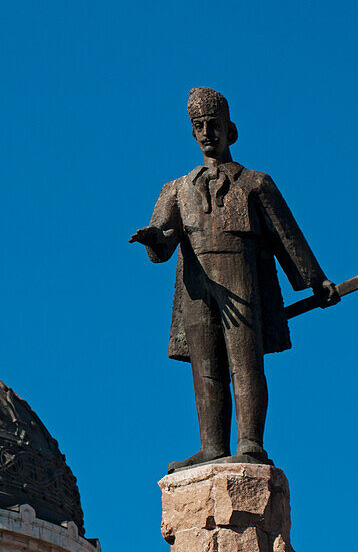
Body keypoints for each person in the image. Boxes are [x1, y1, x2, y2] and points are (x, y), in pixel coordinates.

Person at [130, 87, 339, 473]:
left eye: (214, 125)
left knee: (245, 362)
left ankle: (250, 444)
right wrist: (152, 239)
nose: (207, 132)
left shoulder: (254, 183)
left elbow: (286, 235)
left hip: (240, 278)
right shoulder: (175, 189)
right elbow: (164, 246)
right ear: (192, 133)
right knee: (206, 366)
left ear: (231, 130)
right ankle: (211, 446)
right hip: (197, 287)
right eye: (199, 126)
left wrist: (315, 280)